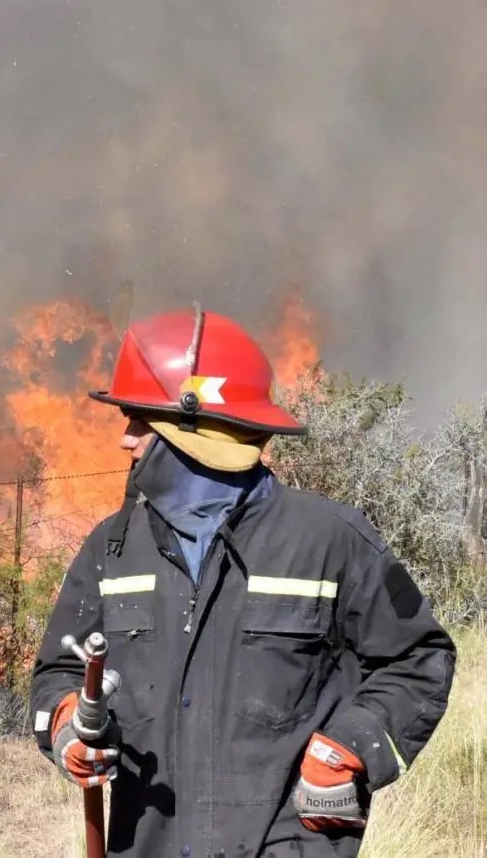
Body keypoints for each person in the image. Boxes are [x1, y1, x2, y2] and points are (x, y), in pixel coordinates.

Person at [28, 307, 456, 858]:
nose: (125, 440)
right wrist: (68, 723)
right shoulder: (111, 548)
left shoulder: (331, 540)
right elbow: (57, 672)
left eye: (139, 420)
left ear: (194, 427)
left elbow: (420, 658)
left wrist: (354, 747)